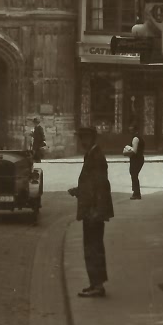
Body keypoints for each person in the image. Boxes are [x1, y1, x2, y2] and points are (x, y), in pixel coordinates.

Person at [68, 126, 114, 298]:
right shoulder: (91, 154)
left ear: (93, 138)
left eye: (85, 137)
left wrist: (97, 211)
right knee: (91, 247)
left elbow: (102, 186)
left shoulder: (96, 156)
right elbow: (91, 185)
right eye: (81, 138)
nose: (82, 141)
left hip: (93, 211)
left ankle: (98, 285)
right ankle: (94, 283)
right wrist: (78, 191)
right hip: (91, 210)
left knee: (93, 248)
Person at [124, 124, 144, 199]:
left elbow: (134, 151)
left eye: (131, 130)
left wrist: (126, 152)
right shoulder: (139, 138)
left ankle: (136, 193)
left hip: (136, 159)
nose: (130, 132)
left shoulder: (135, 138)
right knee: (134, 175)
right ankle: (136, 192)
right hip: (138, 159)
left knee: (134, 175)